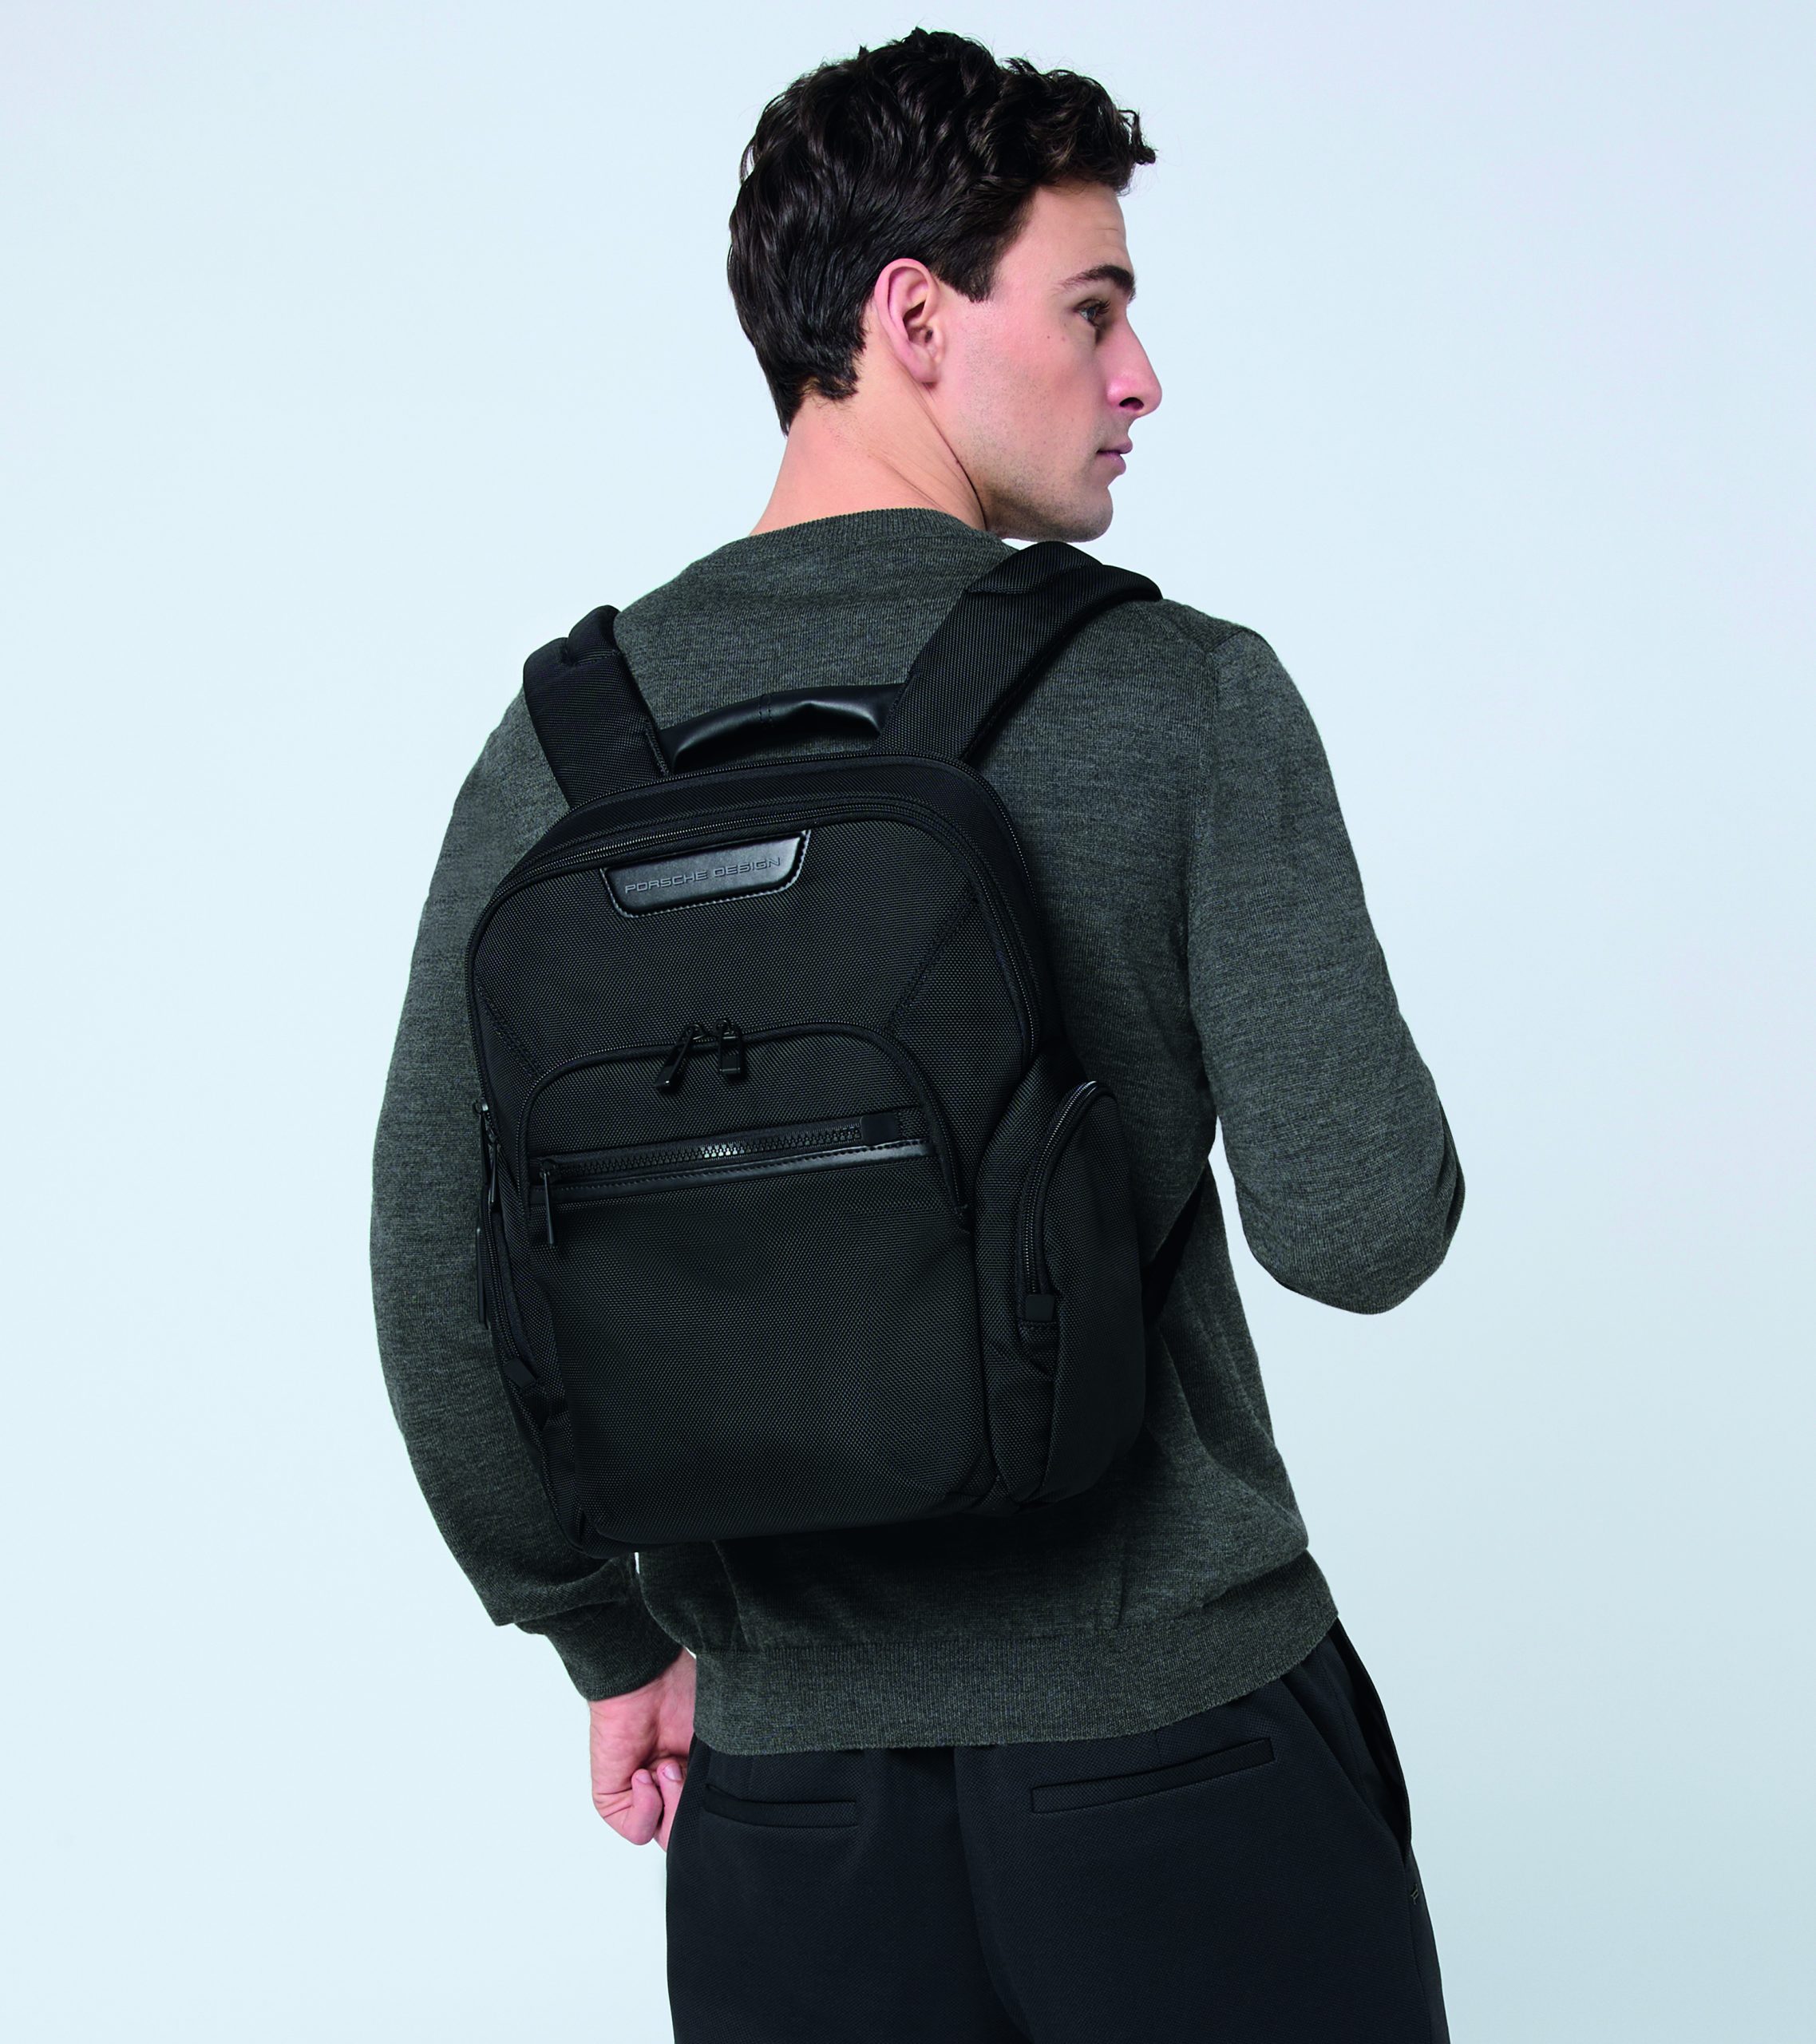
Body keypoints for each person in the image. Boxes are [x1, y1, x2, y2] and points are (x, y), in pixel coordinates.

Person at [370, 26, 1464, 2042]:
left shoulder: (564, 744)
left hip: (788, 1817)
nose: (1141, 377)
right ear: (913, 318)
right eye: (1095, 307)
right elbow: (1360, 1227)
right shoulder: (1180, 693)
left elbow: (438, 1283)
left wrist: (606, 1639)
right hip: (1183, 1753)